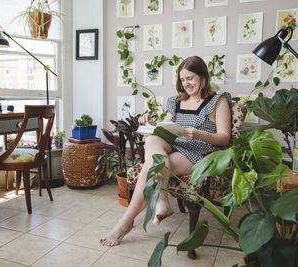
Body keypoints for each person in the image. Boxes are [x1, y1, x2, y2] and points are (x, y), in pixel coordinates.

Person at [99, 56, 232, 247]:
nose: (186, 83)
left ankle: (125, 223)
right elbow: (165, 126)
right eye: (183, 79)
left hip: (200, 152)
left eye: (190, 78)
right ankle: (162, 200)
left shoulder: (218, 101)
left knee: (149, 168)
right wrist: (152, 123)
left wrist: (199, 134)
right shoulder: (177, 101)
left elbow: (224, 137)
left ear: (203, 76)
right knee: (153, 138)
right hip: (176, 144)